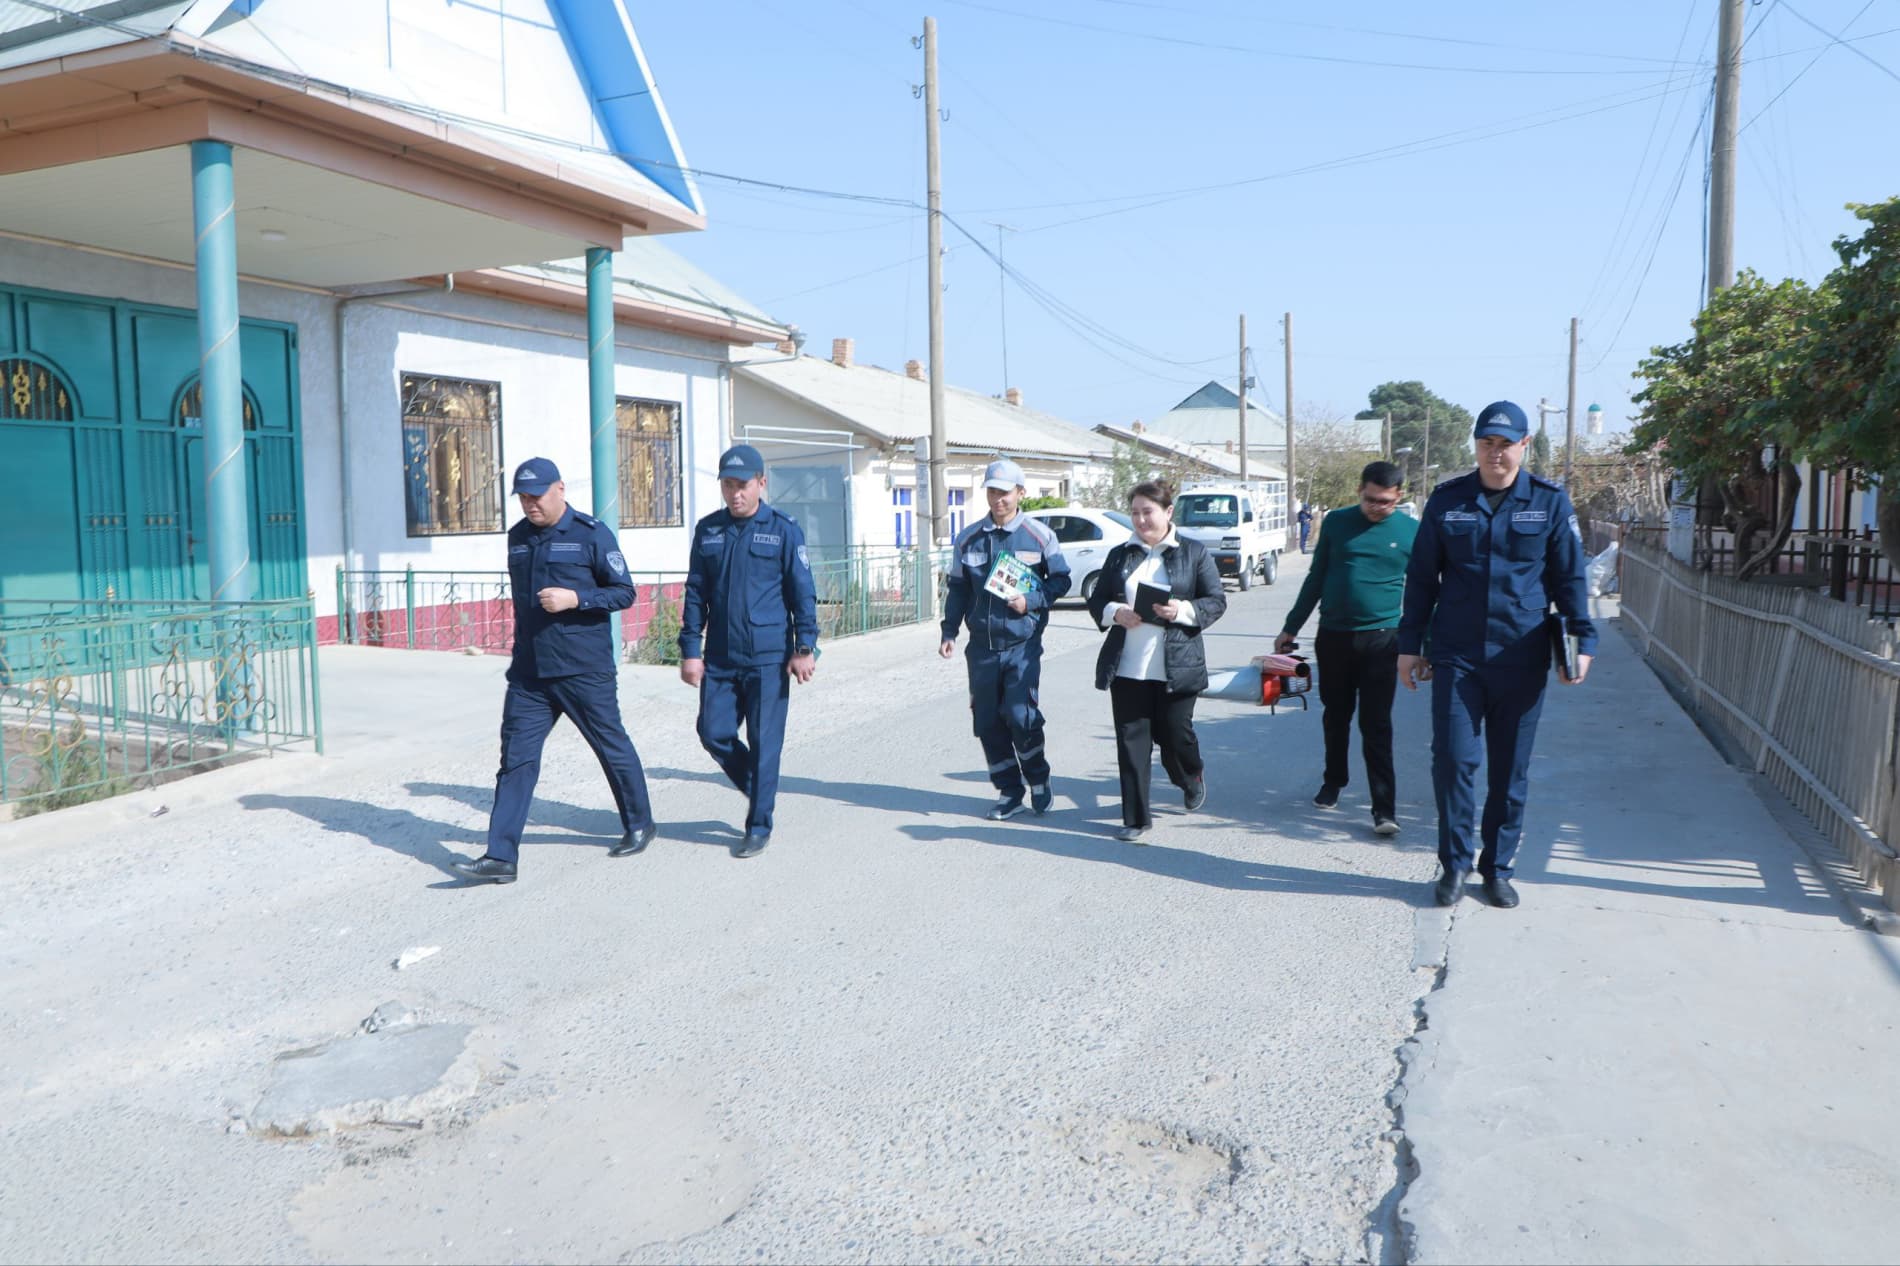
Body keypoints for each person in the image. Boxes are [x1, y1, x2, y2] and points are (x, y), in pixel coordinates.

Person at [1398, 401, 1597, 910]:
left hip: (1522, 654)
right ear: (1476, 446)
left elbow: (1570, 577)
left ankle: (1498, 868)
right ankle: (1456, 865)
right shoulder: (1448, 501)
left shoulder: (1550, 503)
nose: (1496, 453)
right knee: (1453, 762)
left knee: (1510, 770)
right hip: (1458, 657)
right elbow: (1422, 579)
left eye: (1506, 444)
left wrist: (1583, 639)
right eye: (1487, 443)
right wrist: (1409, 646)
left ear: (1524, 446)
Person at [454, 458, 655, 885]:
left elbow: (625, 592)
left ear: (560, 488)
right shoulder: (518, 538)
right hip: (530, 672)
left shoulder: (591, 534)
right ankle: (501, 855)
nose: (530, 505)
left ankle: (640, 823)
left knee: (610, 745)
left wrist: (576, 599)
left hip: (583, 668)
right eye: (524, 497)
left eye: (538, 495)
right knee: (516, 760)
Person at [679, 444, 819, 859]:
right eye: (727, 485)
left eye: (743, 485)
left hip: (767, 656)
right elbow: (694, 594)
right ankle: (761, 790)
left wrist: (805, 647)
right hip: (720, 656)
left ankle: (758, 824)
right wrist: (690, 649)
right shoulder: (709, 530)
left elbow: (803, 594)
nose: (735, 494)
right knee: (713, 732)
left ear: (761, 483)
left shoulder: (783, 529)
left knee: (764, 742)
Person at [1275, 461, 1418, 837]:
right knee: (1335, 716)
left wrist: (1424, 644)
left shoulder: (1410, 531)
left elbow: (1424, 592)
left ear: (1398, 496)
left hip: (1383, 639)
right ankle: (1333, 780)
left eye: (1385, 502)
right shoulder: (1337, 522)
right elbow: (1316, 577)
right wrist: (1291, 627)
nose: (1376, 507)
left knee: (1377, 724)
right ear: (1360, 490)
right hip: (1334, 636)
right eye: (1370, 499)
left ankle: (1384, 808)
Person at [1087, 480, 1227, 842]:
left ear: (1167, 512)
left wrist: (1180, 609)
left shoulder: (1193, 552)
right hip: (1128, 667)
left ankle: (1190, 775)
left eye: (1147, 511)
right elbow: (1098, 598)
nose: (1140, 519)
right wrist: (1116, 612)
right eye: (1134, 512)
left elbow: (1216, 601)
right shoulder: (1120, 554)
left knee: (1175, 737)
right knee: (1132, 743)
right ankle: (1135, 818)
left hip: (1177, 666)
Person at [938, 458, 1072, 820]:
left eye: (1005, 492)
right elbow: (958, 589)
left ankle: (1039, 779)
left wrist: (1032, 600)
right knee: (987, 721)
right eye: (992, 491)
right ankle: (1009, 791)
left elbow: (1061, 580)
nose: (998, 499)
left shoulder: (1039, 536)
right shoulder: (968, 538)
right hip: (981, 646)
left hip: (1021, 644)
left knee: (1019, 714)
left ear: (1021, 493)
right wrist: (949, 631)